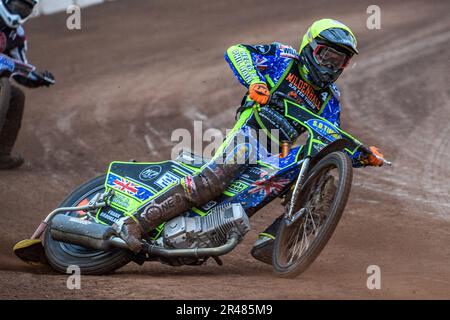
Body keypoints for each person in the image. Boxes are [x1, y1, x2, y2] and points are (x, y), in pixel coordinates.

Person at [113, 19, 384, 264]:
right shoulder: (283, 57)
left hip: (278, 153)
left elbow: (330, 139)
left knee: (324, 181)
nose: (331, 66)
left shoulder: (330, 98)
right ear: (310, 47)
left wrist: (362, 156)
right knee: (213, 182)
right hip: (251, 134)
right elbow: (237, 52)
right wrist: (255, 82)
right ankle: (134, 222)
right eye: (327, 56)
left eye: (339, 61)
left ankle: (275, 242)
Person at [0, 0, 54, 169]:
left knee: (17, 97)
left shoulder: (18, 34)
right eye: (18, 6)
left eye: (25, 9)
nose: (20, 12)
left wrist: (39, 80)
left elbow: (21, 69)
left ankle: (2, 154)